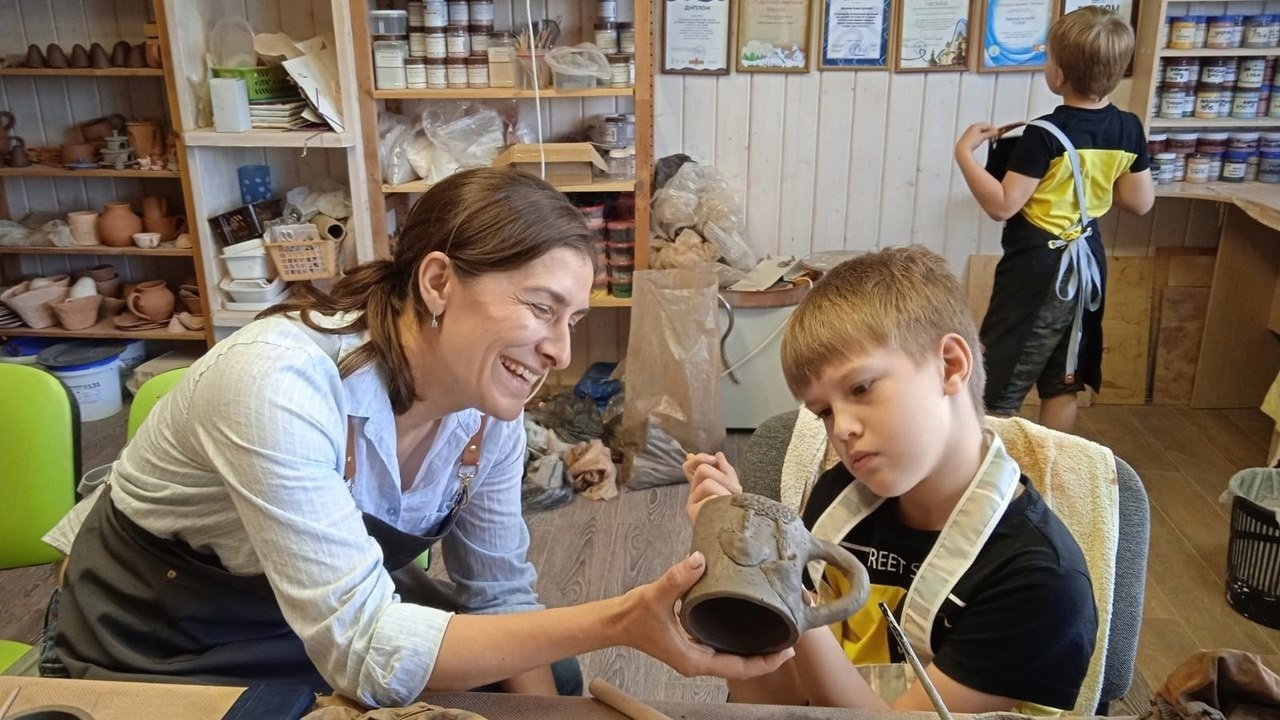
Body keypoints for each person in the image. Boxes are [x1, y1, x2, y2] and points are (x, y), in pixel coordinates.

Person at [43, 167, 791, 707]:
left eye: (571, 320)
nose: (560, 352)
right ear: (437, 283)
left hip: (314, 618)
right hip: (163, 636)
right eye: (540, 308)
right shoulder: (277, 381)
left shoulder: (486, 420)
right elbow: (363, 649)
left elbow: (499, 595)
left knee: (552, 679)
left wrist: (539, 716)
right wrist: (621, 621)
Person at [684, 247, 1098, 715]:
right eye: (824, 412)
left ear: (951, 365)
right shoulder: (836, 497)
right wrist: (740, 572)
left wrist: (781, 586)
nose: (842, 428)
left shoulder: (1039, 581)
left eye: (861, 388)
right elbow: (776, 702)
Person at [953, 7, 1154, 432]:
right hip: (1087, 263)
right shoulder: (1128, 128)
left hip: (1038, 269)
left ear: (1058, 74)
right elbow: (1139, 201)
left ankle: (987, 462)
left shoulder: (1043, 134)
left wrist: (964, 154)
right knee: (1063, 379)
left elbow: (1003, 205)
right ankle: (1054, 464)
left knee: (1000, 377)